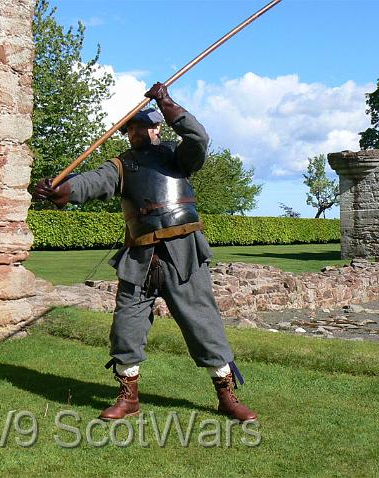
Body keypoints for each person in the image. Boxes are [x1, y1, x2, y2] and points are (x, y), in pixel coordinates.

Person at [33, 82, 257, 422]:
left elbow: (199, 139)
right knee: (126, 327)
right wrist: (60, 188)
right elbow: (89, 183)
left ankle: (227, 396)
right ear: (129, 132)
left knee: (204, 324)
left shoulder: (177, 157)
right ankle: (128, 397)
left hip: (183, 252)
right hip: (139, 258)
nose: (147, 131)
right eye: (139, 126)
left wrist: (167, 102)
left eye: (153, 125)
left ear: (159, 126)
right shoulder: (119, 166)